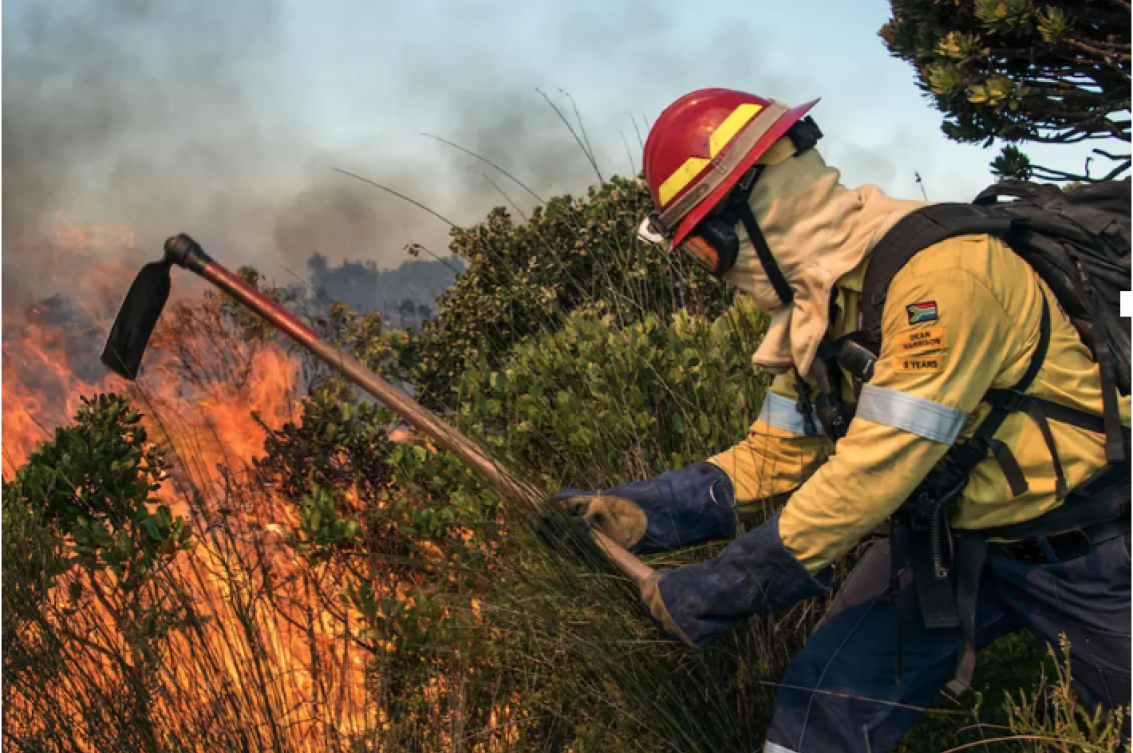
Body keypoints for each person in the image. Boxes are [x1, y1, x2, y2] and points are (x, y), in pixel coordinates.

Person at [554, 88, 1132, 753]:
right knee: (818, 710)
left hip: (1084, 548)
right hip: (946, 541)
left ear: (749, 213)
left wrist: (727, 583)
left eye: (702, 252)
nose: (712, 275)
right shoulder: (814, 311)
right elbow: (772, 455)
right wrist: (636, 512)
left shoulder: (944, 277)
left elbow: (873, 472)